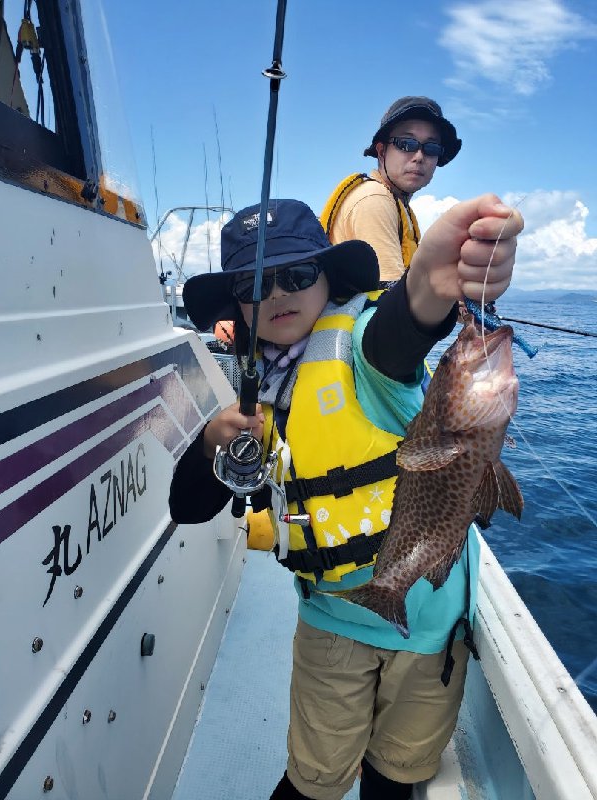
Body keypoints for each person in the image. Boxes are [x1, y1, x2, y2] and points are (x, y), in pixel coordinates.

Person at [171, 195, 522, 800]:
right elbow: (187, 507)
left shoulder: (362, 349)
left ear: (329, 279)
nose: (278, 294)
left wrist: (433, 282)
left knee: (395, 777)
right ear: (237, 305)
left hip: (429, 627)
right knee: (312, 781)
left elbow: (401, 328)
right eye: (256, 284)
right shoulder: (257, 392)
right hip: (329, 620)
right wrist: (209, 445)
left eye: (298, 275)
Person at [321, 96, 461, 284]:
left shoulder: (399, 205)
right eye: (406, 144)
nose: (419, 156)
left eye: (431, 147)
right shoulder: (375, 199)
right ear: (381, 152)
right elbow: (390, 300)